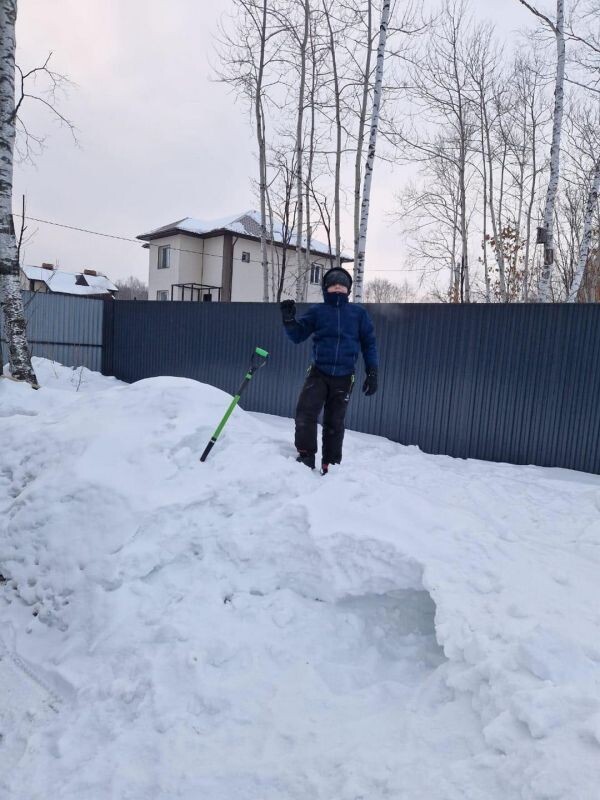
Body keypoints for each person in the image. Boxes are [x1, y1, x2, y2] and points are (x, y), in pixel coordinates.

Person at [280, 266, 378, 474]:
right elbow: (298, 336)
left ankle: (331, 465)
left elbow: (369, 343)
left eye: (342, 285)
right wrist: (289, 321)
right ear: (326, 288)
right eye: (333, 284)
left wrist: (372, 371)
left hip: (344, 377)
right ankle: (306, 456)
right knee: (305, 413)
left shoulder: (358, 314)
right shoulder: (318, 311)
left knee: (335, 421)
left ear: (349, 289)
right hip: (319, 373)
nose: (338, 288)